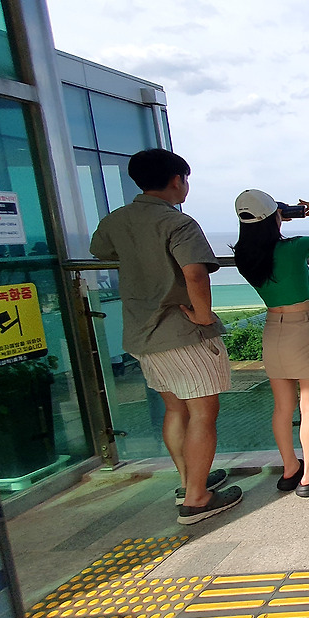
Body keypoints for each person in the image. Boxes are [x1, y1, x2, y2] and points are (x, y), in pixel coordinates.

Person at [89, 149, 242, 524]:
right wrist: (203, 316)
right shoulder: (178, 223)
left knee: (175, 409)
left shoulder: (117, 219)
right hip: (180, 331)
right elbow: (195, 273)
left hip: (142, 332)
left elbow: (99, 249)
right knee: (203, 414)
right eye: (186, 179)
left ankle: (190, 481)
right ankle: (197, 498)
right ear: (177, 179)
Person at [233, 189, 309, 498]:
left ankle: (289, 469)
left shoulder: (244, 255)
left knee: (282, 407)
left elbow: (264, 241)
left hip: (273, 330)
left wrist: (275, 219)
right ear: (274, 218)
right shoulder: (295, 247)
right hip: (303, 328)